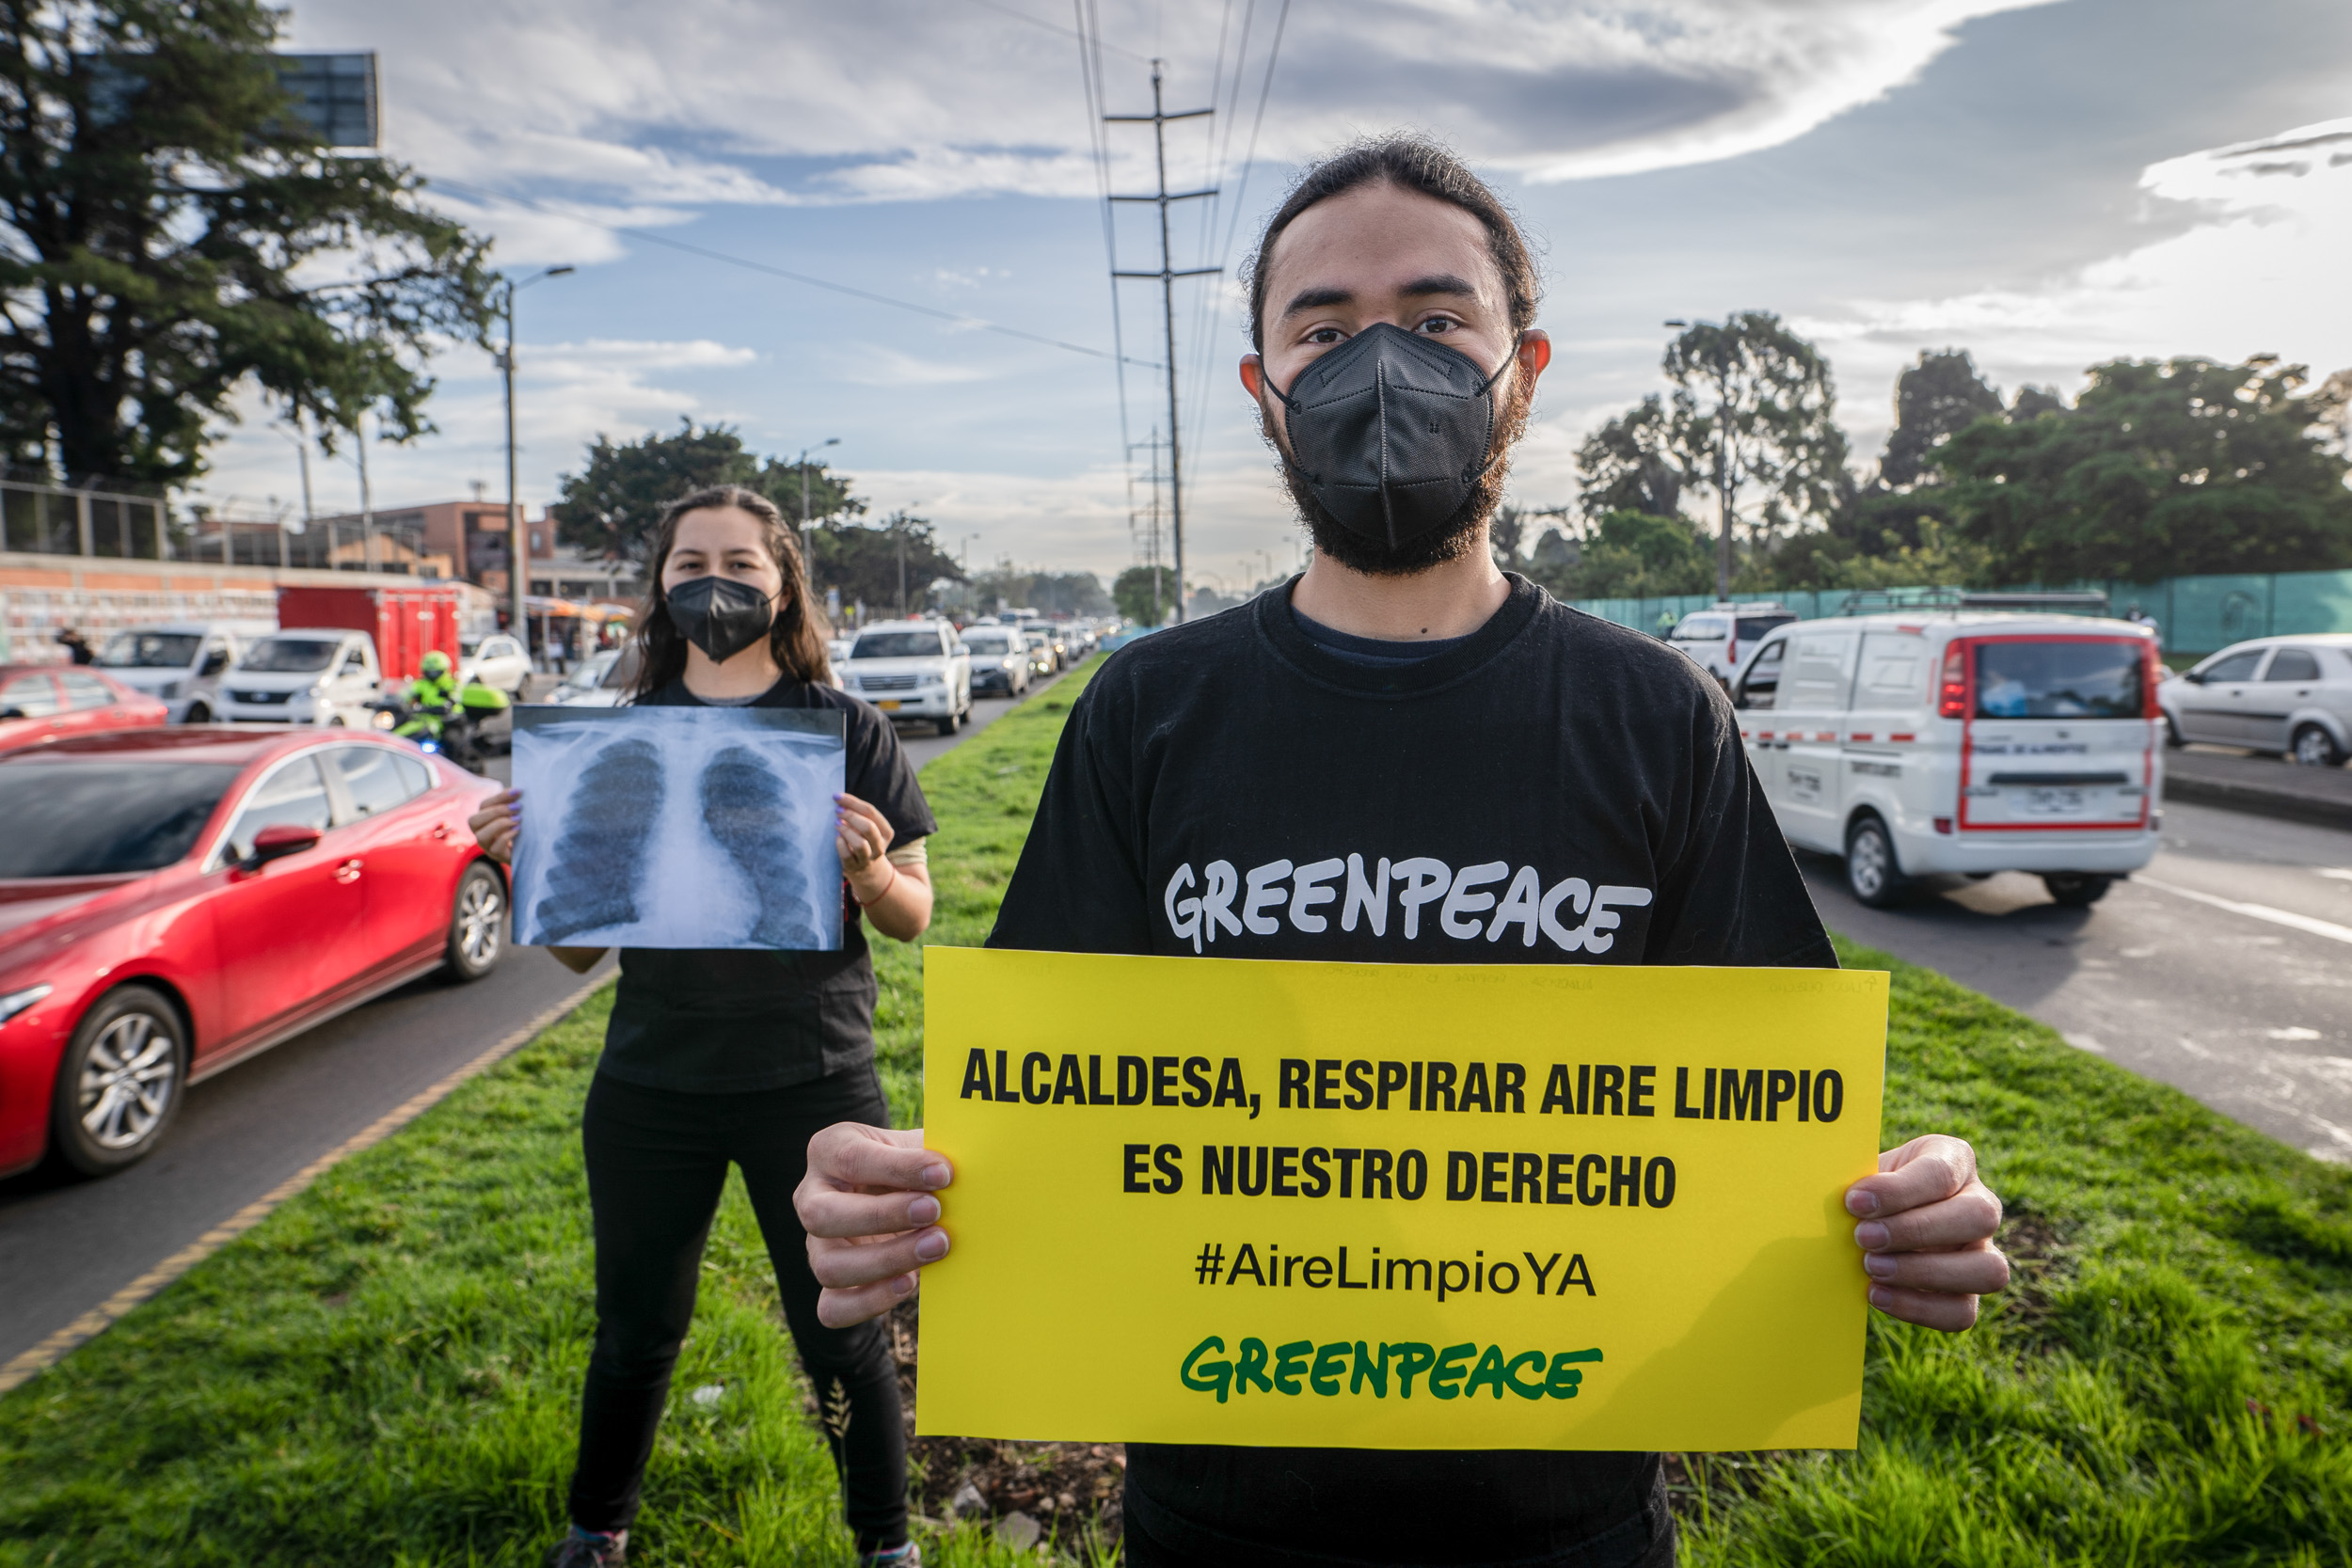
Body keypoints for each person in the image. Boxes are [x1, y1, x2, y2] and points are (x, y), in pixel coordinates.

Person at [794, 140, 2010, 1568]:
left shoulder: (1657, 714)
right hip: (1219, 1509)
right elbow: (1045, 1115)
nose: (1382, 365)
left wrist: (1902, 1207)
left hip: (1571, 1512)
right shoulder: (1148, 708)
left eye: (1439, 323)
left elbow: (1765, 1122)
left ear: (1525, 366)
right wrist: (888, 1200)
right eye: (1323, 328)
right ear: (1266, 392)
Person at [469, 484, 933, 1568]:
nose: (713, 583)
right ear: (661, 587)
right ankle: (596, 1528)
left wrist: (867, 872)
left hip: (815, 1079)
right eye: (688, 564)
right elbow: (583, 949)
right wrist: (524, 863)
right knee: (633, 1331)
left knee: (840, 1333)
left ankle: (885, 1543)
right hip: (651, 1086)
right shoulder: (614, 741)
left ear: (782, 585)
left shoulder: (843, 727)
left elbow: (914, 916)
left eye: (739, 561)